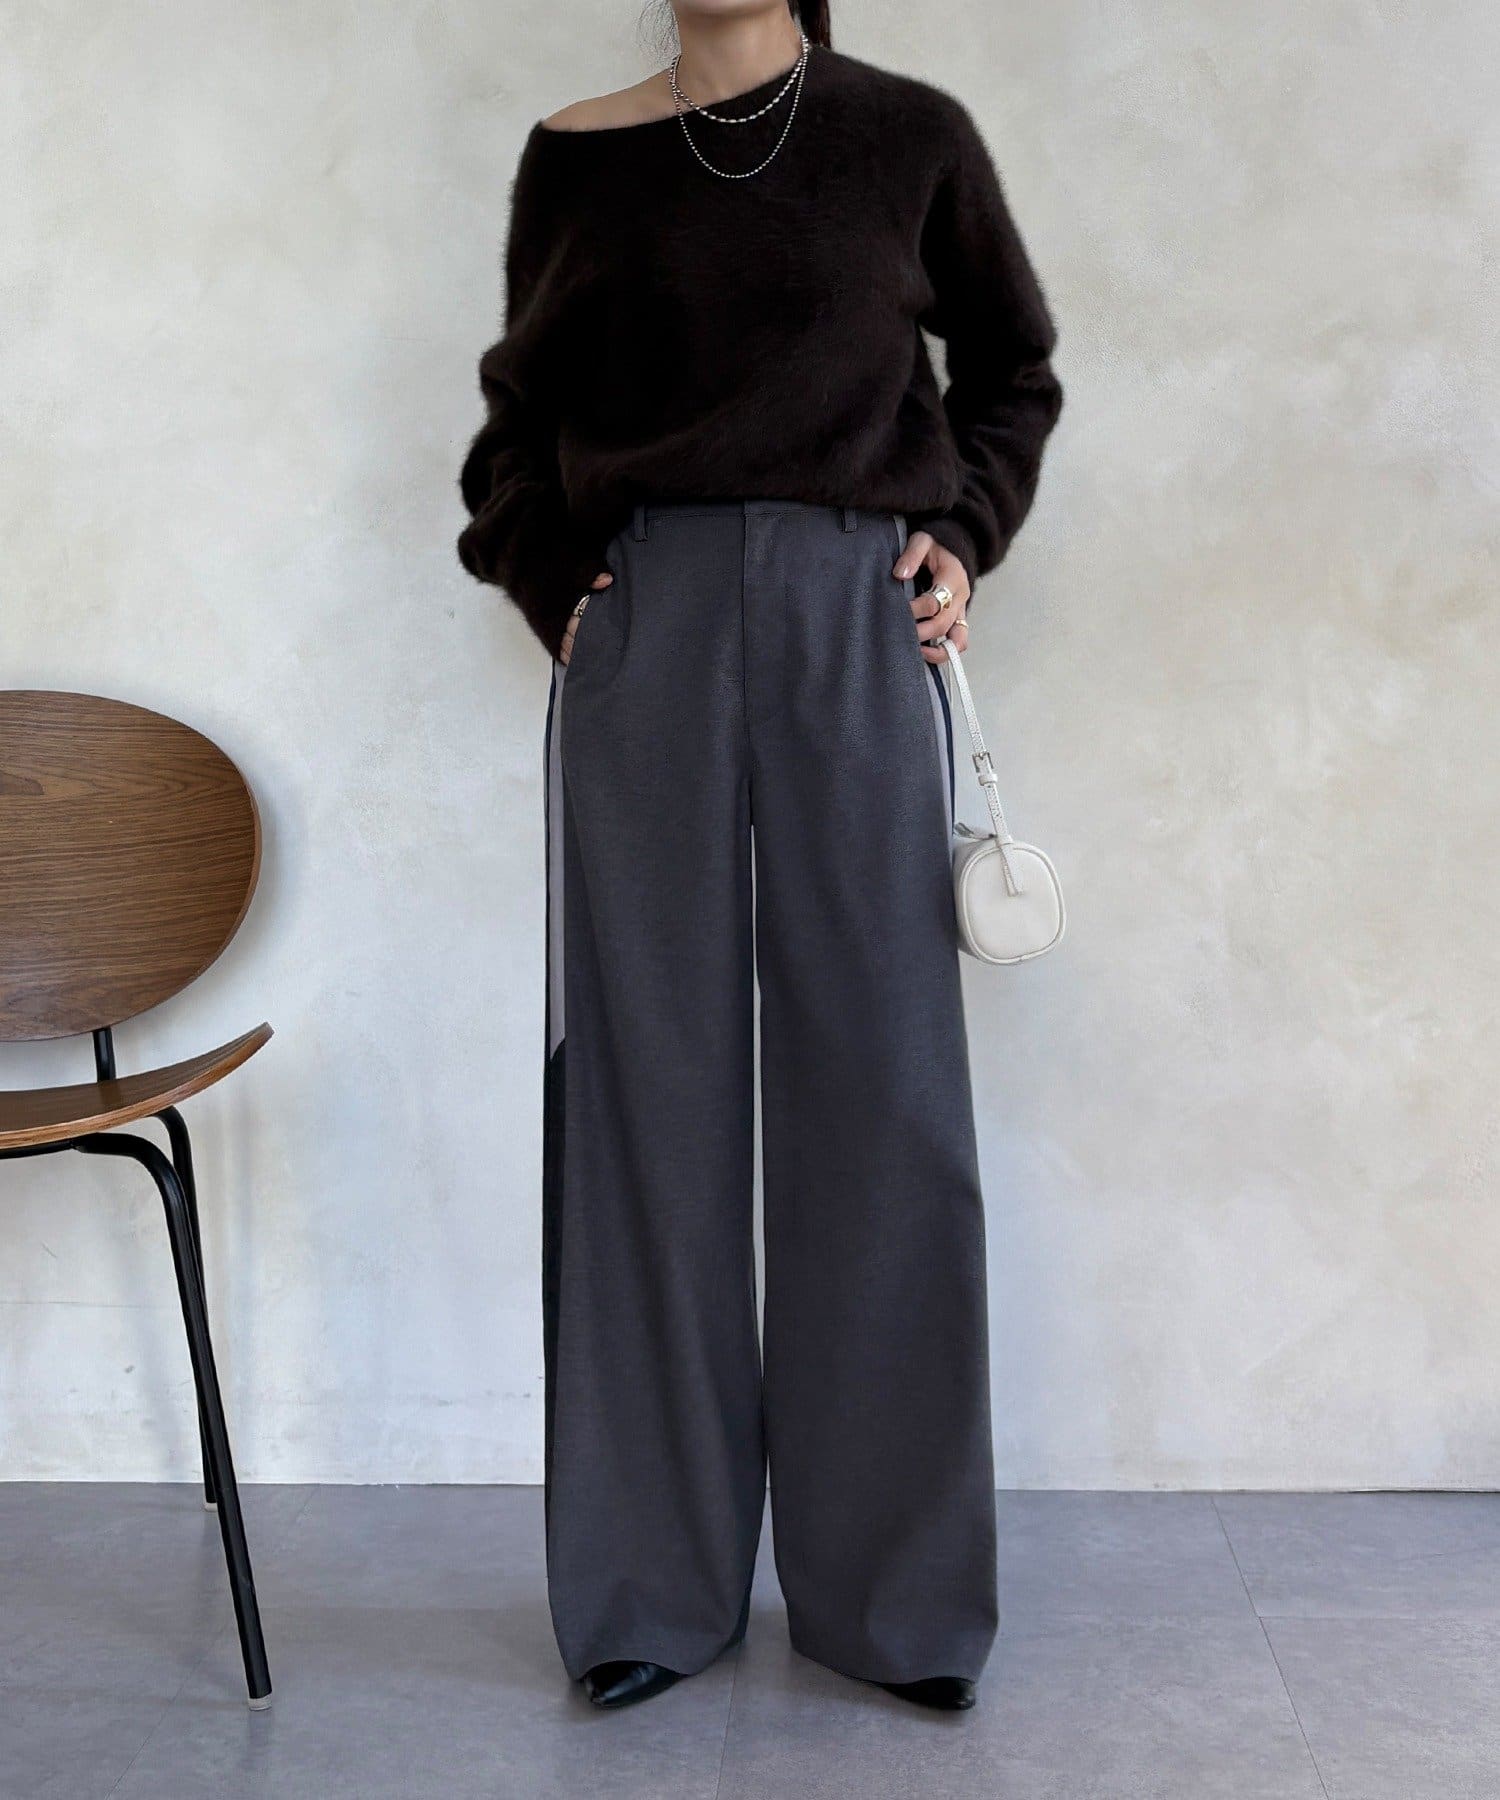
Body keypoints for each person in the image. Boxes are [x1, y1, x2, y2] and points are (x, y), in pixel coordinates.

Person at [457, 0, 1063, 1713]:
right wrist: (556, 581)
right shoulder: (574, 161)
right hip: (645, 629)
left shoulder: (906, 135)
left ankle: (893, 1605)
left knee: (883, 1090)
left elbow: (1012, 373)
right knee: (643, 1094)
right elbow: (511, 436)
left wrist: (960, 534)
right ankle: (650, 1591)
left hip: (852, 622)